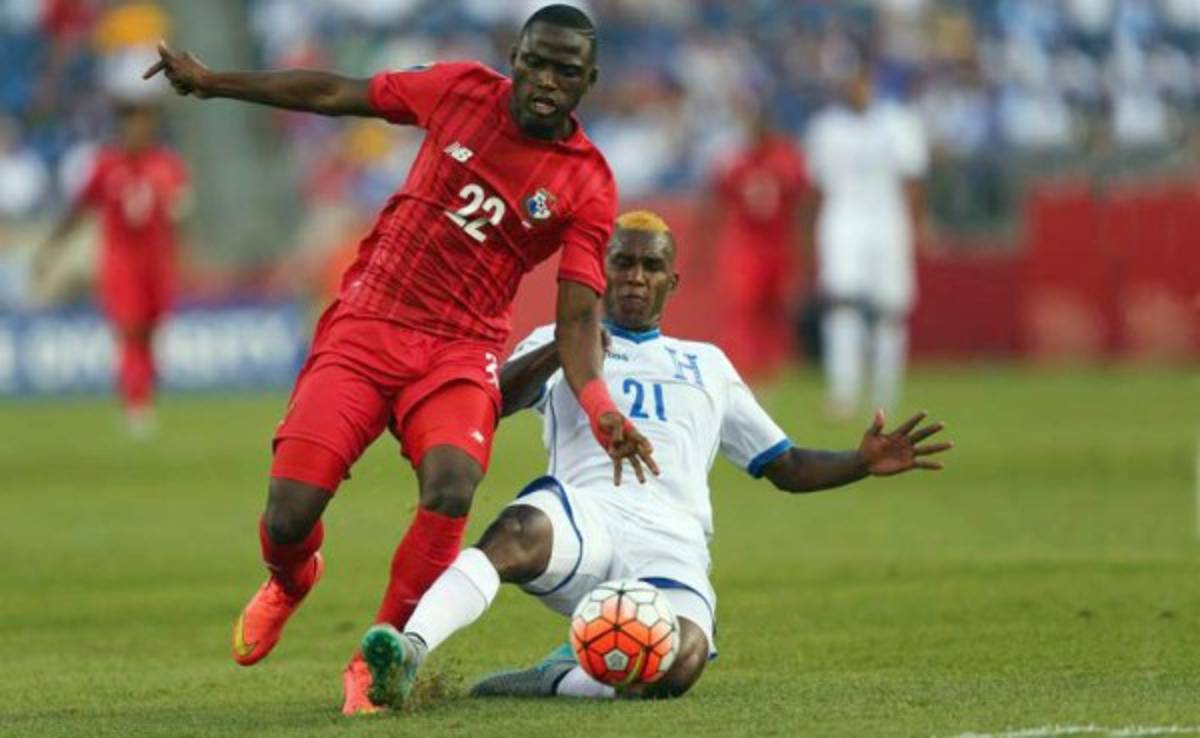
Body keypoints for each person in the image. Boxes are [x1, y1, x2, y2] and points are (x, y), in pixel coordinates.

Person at [142, 4, 658, 714]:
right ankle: (290, 580)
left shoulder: (587, 183)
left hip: (458, 349)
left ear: (588, 81)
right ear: (514, 57)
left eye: (564, 71)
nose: (545, 80)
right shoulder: (457, 91)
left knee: (452, 485)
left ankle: (379, 656)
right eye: (535, 62)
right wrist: (214, 83)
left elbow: (576, 321)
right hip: (368, 323)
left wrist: (602, 412)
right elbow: (334, 94)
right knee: (289, 514)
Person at [355, 210, 952, 706]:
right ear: (600, 273)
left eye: (651, 266)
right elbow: (493, 403)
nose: (636, 277)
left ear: (673, 282)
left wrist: (860, 461)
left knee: (678, 667)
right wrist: (570, 347)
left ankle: (560, 676)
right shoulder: (556, 339)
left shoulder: (708, 365)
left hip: (673, 541)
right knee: (514, 528)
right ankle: (410, 650)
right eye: (622, 263)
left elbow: (786, 466)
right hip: (585, 517)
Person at [37, 102, 189, 438]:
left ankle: (142, 390)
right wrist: (52, 248)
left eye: (145, 125)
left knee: (151, 331)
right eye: (133, 125)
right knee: (129, 328)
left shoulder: (167, 165)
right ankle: (135, 403)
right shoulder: (105, 166)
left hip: (158, 261)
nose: (139, 132)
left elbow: (181, 215)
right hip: (122, 261)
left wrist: (185, 255)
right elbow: (79, 210)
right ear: (123, 129)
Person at [804, 63, 929, 420]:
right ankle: (843, 391)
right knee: (842, 304)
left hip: (888, 220)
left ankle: (885, 392)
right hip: (842, 219)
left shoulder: (899, 123)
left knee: (890, 309)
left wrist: (915, 226)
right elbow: (815, 187)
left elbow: (914, 180)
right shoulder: (826, 127)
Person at [707, 104, 809, 379]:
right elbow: (716, 203)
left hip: (778, 245)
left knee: (774, 311)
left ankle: (771, 370)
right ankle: (739, 369)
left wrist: (804, 249)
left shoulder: (788, 159)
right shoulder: (735, 161)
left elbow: (803, 205)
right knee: (741, 310)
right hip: (746, 246)